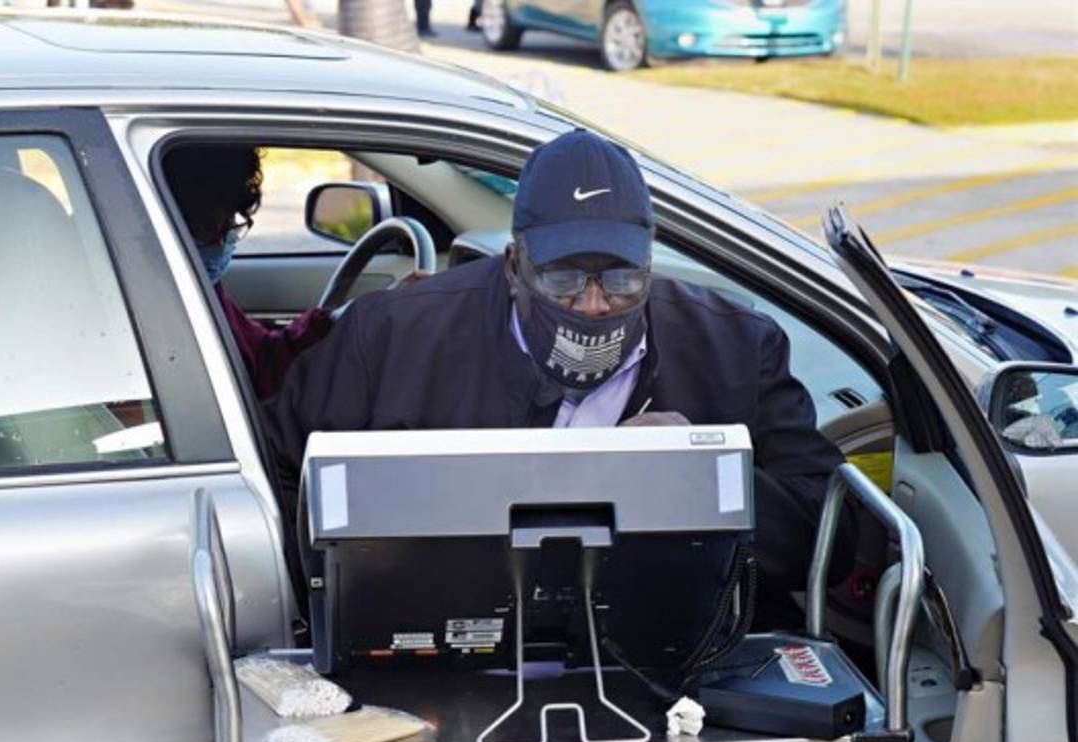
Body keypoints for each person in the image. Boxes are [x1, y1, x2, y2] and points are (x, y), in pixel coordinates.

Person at [263, 129, 849, 619]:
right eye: (563, 279)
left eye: (622, 279)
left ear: (651, 262)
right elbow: (275, 473)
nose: (593, 305)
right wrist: (349, 589)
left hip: (667, 645)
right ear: (513, 266)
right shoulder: (393, 336)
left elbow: (830, 532)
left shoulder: (734, 347)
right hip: (437, 636)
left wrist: (694, 474)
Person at [163, 145, 334, 401]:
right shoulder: (155, 302)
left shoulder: (203, 288)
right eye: (205, 229)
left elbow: (261, 357)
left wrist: (339, 321)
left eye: (231, 223)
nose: (222, 242)